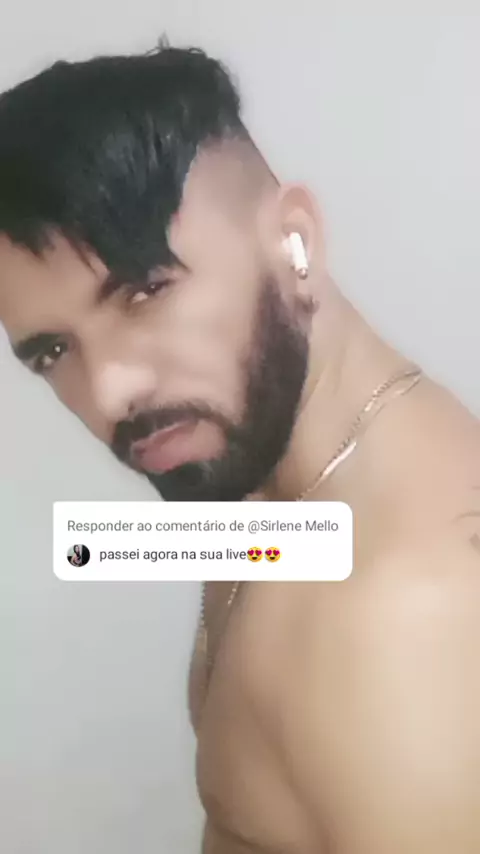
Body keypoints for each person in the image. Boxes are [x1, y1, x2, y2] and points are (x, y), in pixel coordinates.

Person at [0, 44, 479, 854]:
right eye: (52, 351)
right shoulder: (264, 472)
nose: (108, 392)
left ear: (295, 242)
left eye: (145, 291)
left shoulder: (406, 621)